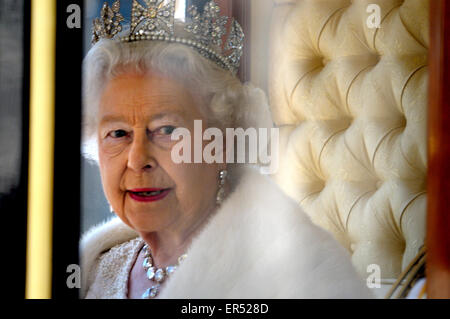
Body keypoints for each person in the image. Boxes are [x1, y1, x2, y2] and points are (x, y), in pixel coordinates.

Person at [80, 0, 372, 299]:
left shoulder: (294, 269)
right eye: (118, 133)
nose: (138, 159)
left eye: (167, 130)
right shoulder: (96, 269)